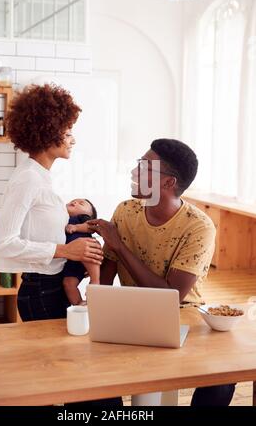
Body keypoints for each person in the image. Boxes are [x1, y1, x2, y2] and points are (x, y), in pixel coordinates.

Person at [88, 138, 236, 407]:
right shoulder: (125, 211)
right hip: (132, 313)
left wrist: (119, 246)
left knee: (222, 380)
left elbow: (171, 296)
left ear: (168, 183)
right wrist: (96, 309)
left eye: (144, 167)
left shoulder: (199, 227)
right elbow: (106, 278)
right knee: (89, 379)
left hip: (184, 318)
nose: (134, 172)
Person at [0, 84, 103, 322]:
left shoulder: (40, 176)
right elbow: (2, 244)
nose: (73, 140)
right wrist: (65, 250)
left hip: (52, 285)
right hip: (40, 290)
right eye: (68, 131)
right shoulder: (28, 178)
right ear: (48, 132)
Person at [63, 198, 100, 305]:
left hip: (86, 251)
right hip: (72, 262)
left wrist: (76, 227)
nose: (74, 202)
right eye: (72, 201)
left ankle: (95, 280)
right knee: (68, 284)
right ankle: (79, 304)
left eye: (81, 204)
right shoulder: (63, 218)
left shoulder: (82, 218)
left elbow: (91, 227)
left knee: (91, 255)